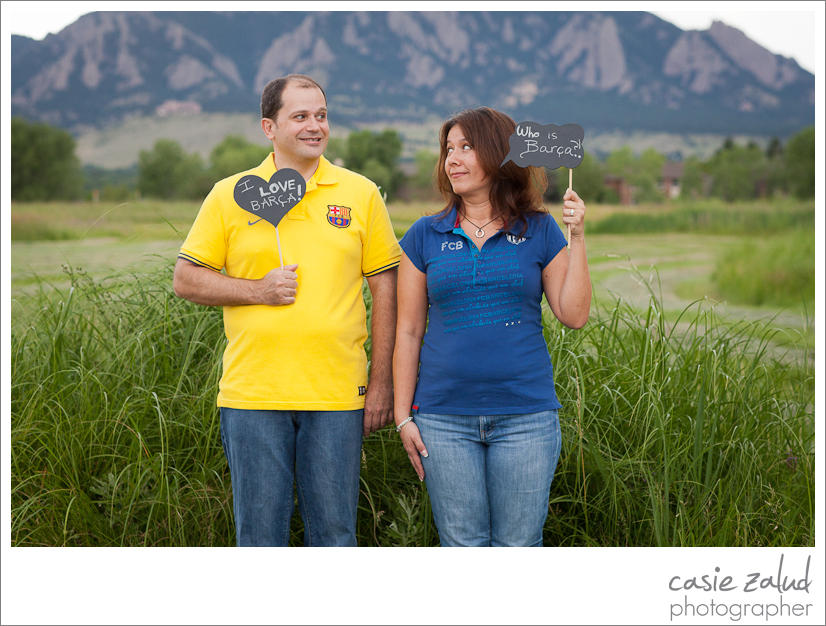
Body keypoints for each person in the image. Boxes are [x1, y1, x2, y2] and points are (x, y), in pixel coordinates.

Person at [173, 74, 400, 546]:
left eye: (321, 115)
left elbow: (387, 286)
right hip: (253, 392)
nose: (315, 126)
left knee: (336, 535)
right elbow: (186, 279)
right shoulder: (231, 193)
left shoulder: (360, 193)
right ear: (268, 127)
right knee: (259, 537)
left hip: (337, 393)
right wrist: (257, 290)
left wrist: (381, 382)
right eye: (300, 116)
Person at [393, 106, 591, 547]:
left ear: (499, 156)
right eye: (449, 149)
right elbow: (408, 332)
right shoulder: (425, 234)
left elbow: (574, 315)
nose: (453, 159)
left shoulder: (539, 229)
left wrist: (577, 238)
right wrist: (403, 416)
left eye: (467, 147)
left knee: (518, 547)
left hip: (526, 416)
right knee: (463, 546)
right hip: (443, 420)